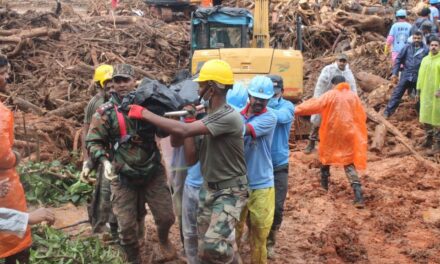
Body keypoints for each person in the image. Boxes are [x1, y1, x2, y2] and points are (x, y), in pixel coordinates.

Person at [127, 59, 248, 263]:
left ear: (212, 88)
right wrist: (187, 120)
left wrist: (145, 114)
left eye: (201, 85)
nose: (197, 88)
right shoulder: (206, 116)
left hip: (230, 191)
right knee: (205, 249)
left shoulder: (228, 116)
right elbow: (189, 156)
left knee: (214, 246)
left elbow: (183, 131)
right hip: (209, 189)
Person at [86, 64, 176, 264]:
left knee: (166, 217)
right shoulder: (105, 112)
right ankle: (134, 258)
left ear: (134, 81)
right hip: (123, 174)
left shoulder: (148, 104)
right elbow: (93, 141)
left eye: (125, 80)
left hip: (152, 170)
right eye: (117, 81)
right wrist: (104, 161)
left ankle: (163, 239)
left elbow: (164, 130)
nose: (121, 85)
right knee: (126, 228)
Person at [295, 76, 367, 208]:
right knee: (348, 162)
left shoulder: (330, 95)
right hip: (349, 133)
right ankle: (358, 196)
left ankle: (324, 187)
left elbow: (314, 105)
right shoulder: (353, 96)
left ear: (334, 84)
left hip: (331, 132)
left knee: (326, 158)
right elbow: (361, 115)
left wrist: (296, 109)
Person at [235, 76, 277, 264]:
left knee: (260, 233)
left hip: (261, 183)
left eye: (263, 99)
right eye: (256, 98)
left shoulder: (269, 117)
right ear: (249, 96)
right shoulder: (237, 115)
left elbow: (243, 130)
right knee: (233, 230)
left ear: (268, 99)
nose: (259, 102)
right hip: (238, 183)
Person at [80, 64, 119, 240]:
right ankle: (99, 227)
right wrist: (87, 159)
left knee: (115, 193)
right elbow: (86, 131)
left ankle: (114, 229)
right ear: (100, 85)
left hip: (118, 154)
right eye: (107, 85)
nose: (111, 88)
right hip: (101, 152)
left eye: (113, 84)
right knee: (102, 192)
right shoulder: (95, 103)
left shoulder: (121, 101)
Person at [0, 54, 33, 264]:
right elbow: (2, 156)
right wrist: (15, 157)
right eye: (3, 73)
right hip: (4, 187)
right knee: (16, 243)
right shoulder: (0, 113)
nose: (7, 77)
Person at [265, 75, 295, 259]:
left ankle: (270, 241)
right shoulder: (258, 105)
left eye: (275, 92)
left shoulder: (287, 107)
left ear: (281, 92)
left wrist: (259, 107)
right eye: (268, 93)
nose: (271, 96)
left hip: (279, 165)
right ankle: (254, 233)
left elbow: (280, 117)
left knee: (277, 207)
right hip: (259, 164)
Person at [304, 53, 357, 154]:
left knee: (337, 122)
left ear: (346, 62)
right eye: (340, 61)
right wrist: (318, 99)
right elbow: (320, 84)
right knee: (317, 120)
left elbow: (352, 86)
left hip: (339, 101)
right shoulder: (328, 70)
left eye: (344, 61)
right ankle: (311, 144)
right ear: (337, 61)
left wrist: (353, 100)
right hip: (325, 97)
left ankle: (334, 147)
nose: (342, 63)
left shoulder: (348, 73)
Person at [384, 31, 429, 118]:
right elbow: (398, 59)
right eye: (415, 38)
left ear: (422, 39)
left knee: (421, 97)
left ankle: (421, 116)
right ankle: (388, 112)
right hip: (406, 74)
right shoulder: (407, 47)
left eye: (419, 38)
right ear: (412, 38)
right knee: (397, 94)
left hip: (419, 77)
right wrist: (395, 73)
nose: (416, 40)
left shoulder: (426, 50)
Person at [416, 37, 440, 154]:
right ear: (429, 46)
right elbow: (420, 76)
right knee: (426, 116)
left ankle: (438, 143)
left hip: (437, 95)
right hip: (426, 93)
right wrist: (418, 90)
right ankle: (429, 139)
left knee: (437, 119)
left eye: (436, 45)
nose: (433, 47)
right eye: (432, 45)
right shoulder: (425, 60)